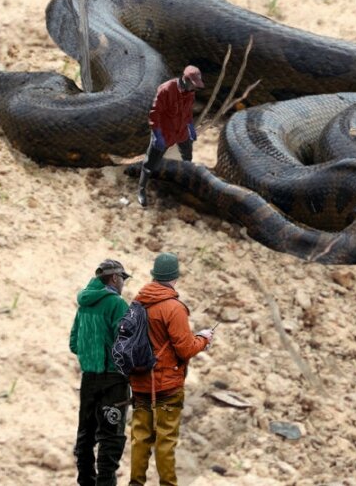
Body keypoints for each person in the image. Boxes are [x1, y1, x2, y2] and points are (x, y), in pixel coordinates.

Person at [128, 252, 215, 486]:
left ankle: (135, 483)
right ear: (175, 278)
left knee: (140, 438)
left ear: (154, 276)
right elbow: (185, 349)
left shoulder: (137, 302)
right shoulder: (173, 308)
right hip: (167, 385)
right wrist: (203, 339)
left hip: (139, 381)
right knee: (165, 440)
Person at [70, 259, 133, 486]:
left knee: (86, 435)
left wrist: (91, 357)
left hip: (89, 378)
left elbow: (74, 343)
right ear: (114, 278)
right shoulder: (117, 304)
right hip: (114, 380)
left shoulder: (84, 305)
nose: (124, 283)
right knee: (111, 437)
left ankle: (85, 482)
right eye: (123, 278)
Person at [137, 65, 205, 207]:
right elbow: (154, 114)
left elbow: (187, 113)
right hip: (165, 132)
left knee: (187, 157)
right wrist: (157, 134)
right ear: (186, 80)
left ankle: (184, 184)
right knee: (150, 163)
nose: (195, 88)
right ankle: (141, 189)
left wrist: (190, 128)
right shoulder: (166, 89)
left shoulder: (190, 93)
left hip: (181, 132)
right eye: (194, 84)